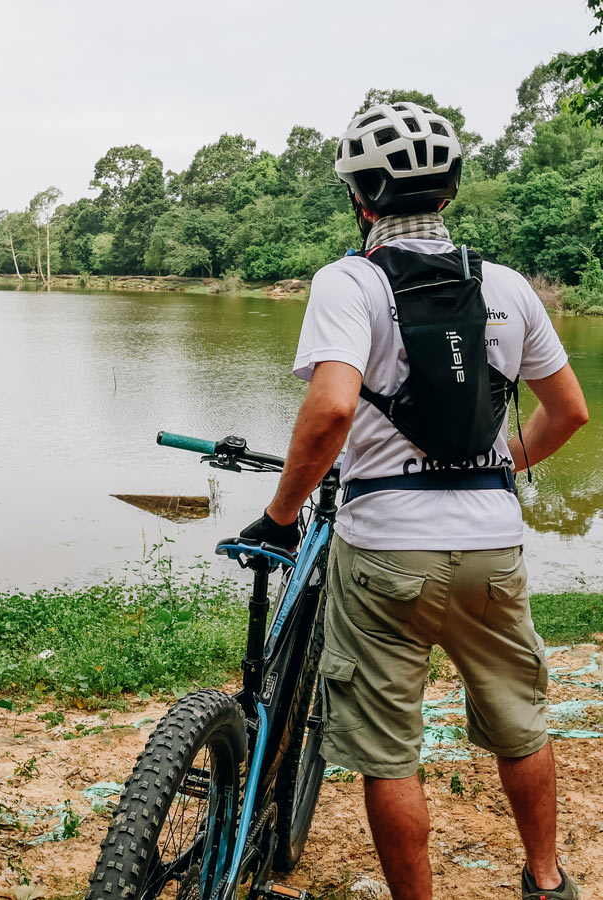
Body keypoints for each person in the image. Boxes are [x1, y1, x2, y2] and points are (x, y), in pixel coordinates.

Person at [239, 101, 589, 900]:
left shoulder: (348, 282)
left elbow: (330, 410)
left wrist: (282, 515)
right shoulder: (508, 286)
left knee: (389, 751)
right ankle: (546, 881)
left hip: (386, 549)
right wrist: (505, 460)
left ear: (360, 199)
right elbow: (569, 411)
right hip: (493, 542)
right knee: (520, 721)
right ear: (450, 190)